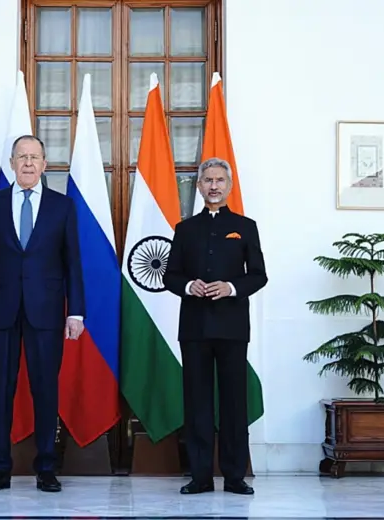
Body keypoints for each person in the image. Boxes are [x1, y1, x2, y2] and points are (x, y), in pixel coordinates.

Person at [0, 135, 86, 493]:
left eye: (35, 157)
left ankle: (47, 467)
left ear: (45, 164)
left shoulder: (62, 207)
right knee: (1, 391)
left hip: (47, 312)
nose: (29, 164)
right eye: (22, 157)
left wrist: (76, 312)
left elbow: (73, 264)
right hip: (1, 311)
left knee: (45, 390)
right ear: (12, 164)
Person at [163, 157, 267, 496]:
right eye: (207, 179)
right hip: (193, 328)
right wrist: (188, 285)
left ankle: (235, 476)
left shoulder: (245, 226)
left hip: (233, 327)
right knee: (197, 404)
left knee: (234, 403)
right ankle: (200, 476)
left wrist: (231, 288)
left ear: (229, 185)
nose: (213, 185)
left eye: (220, 180)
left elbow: (258, 275)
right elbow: (171, 276)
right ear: (199, 186)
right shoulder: (185, 228)